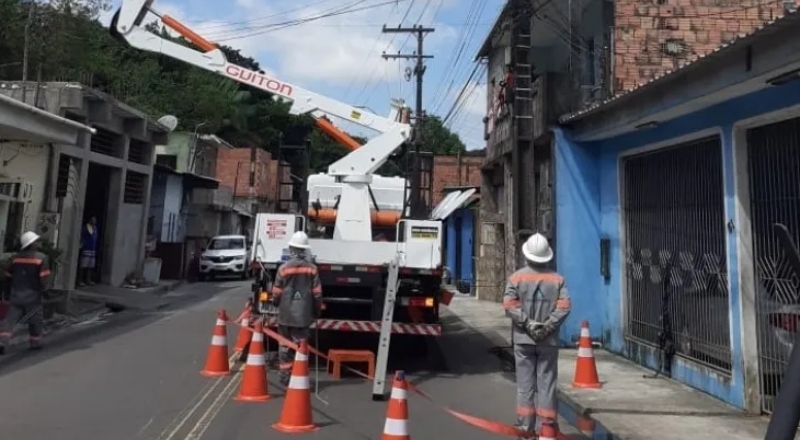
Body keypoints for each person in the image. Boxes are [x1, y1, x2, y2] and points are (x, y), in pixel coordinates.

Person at [503, 233, 571, 437]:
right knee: (547, 386)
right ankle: (547, 430)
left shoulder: (516, 278)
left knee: (525, 387)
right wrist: (548, 326)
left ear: (527, 255)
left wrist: (528, 323)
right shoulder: (557, 279)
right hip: (548, 342)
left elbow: (509, 305)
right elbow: (564, 307)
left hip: (523, 341)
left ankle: (526, 429)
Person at [271, 231, 322, 385]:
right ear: (305, 249)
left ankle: (285, 377)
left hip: (285, 315)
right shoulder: (312, 269)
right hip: (303, 315)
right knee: (301, 346)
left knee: (284, 345)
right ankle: (300, 376)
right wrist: (316, 311)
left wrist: (276, 303)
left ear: (291, 249)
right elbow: (317, 293)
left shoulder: (283, 268)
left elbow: (276, 291)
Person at [0, 231, 51, 354]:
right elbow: (44, 279)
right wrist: (46, 292)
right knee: (35, 319)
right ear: (31, 244)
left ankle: (2, 341)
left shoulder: (15, 258)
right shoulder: (41, 258)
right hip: (33, 296)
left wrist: (7, 294)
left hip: (16, 295)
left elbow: (8, 277)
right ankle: (35, 342)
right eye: (36, 241)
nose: (38, 243)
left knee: (9, 320)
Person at [79, 216, 99, 287]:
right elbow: (82, 236)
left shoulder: (95, 228)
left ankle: (88, 280)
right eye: (92, 220)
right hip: (86, 249)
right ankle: (80, 280)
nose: (94, 221)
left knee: (90, 266)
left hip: (92, 249)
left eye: (95, 220)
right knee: (83, 265)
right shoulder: (86, 227)